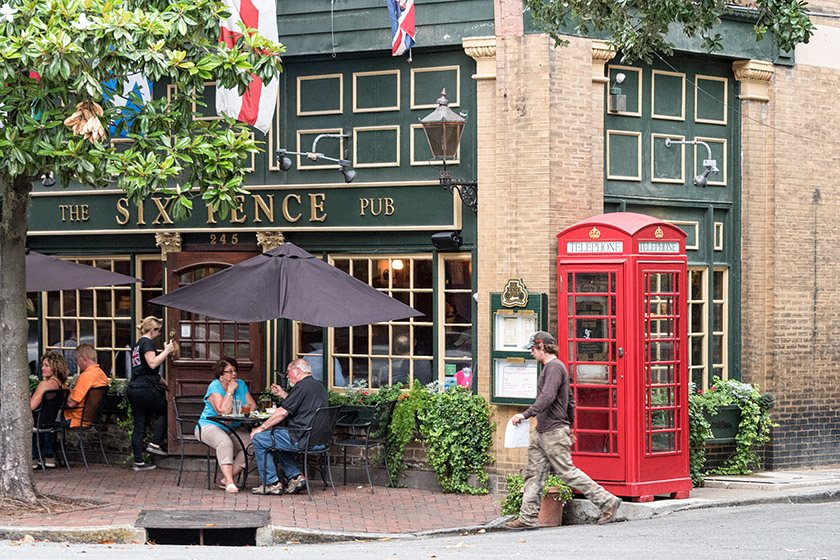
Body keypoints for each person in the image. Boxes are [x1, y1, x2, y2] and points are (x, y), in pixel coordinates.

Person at [505, 331, 621, 530]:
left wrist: (525, 414)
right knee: (534, 474)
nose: (531, 353)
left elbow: (548, 397)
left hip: (553, 431)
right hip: (545, 430)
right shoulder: (553, 368)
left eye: (532, 349)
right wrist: (571, 427)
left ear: (542, 347)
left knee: (567, 473)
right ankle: (528, 517)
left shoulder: (554, 368)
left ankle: (607, 501)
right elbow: (570, 401)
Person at [249, 359, 327, 495]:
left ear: (298, 371)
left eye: (288, 372)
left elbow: (282, 412)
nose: (287, 376)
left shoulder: (301, 387)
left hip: (302, 438)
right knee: (277, 439)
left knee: (260, 439)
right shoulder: (318, 386)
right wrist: (283, 394)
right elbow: (298, 404)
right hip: (320, 440)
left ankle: (271, 483)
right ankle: (295, 477)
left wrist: (260, 428)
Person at [195, 357, 258, 493]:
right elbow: (222, 410)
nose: (234, 374)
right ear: (221, 375)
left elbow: (252, 406)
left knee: (253, 444)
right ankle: (230, 483)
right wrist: (229, 391)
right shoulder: (215, 386)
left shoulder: (240, 384)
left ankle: (227, 477)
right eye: (229, 372)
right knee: (225, 442)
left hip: (232, 427)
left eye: (235, 371)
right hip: (209, 426)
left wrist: (234, 413)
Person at [126, 317, 176, 472]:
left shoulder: (137, 344)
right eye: (159, 330)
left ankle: (138, 462)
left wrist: (165, 384)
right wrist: (167, 351)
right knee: (167, 411)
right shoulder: (147, 343)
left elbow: (148, 369)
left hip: (135, 387)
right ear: (152, 330)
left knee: (139, 424)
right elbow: (153, 363)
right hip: (146, 388)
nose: (160, 333)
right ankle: (155, 443)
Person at [30, 351, 69, 469]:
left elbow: (30, 407)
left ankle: (31, 458)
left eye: (46, 365)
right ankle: (48, 456)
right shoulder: (63, 386)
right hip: (50, 422)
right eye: (42, 365)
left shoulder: (44, 385)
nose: (42, 368)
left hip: (38, 422)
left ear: (56, 367)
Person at [64, 343, 109, 428]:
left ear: (84, 358)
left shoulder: (85, 376)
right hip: (91, 418)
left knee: (43, 420)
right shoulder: (102, 375)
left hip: (75, 419)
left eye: (77, 359)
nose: (77, 362)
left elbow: (71, 404)